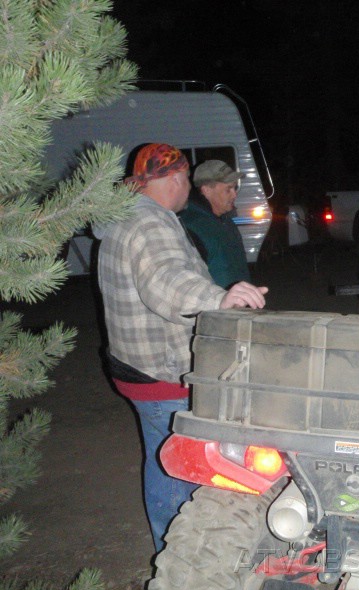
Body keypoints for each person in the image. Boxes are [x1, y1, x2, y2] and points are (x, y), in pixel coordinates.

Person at [95, 143, 268, 553]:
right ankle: (184, 558)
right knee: (185, 468)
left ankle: (166, 546)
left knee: (160, 458)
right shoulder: (151, 222)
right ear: (173, 179)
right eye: (186, 179)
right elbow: (166, 281)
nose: (188, 186)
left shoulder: (125, 216)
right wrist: (217, 298)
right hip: (161, 369)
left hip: (133, 365)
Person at [179, 159, 250, 288]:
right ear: (206, 190)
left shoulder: (225, 219)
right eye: (228, 189)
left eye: (235, 187)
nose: (234, 194)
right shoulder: (192, 226)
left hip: (238, 303)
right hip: (215, 305)